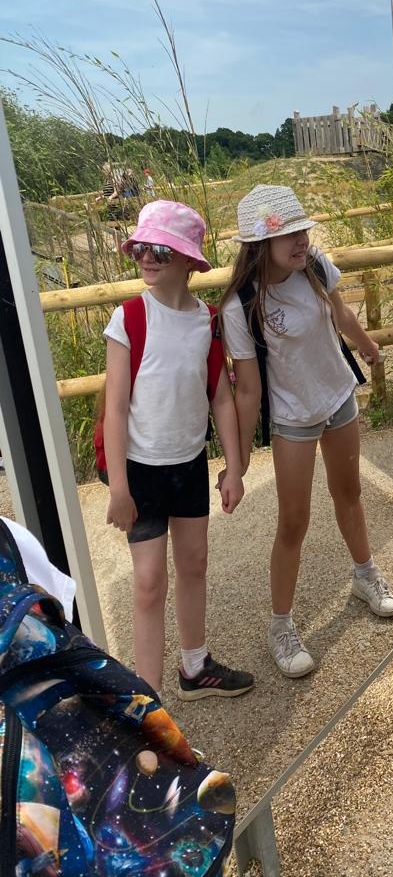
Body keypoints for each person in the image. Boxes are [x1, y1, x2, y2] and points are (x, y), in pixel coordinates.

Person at [219, 184, 393, 678]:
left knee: (350, 492)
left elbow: (340, 312)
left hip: (337, 395)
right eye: (290, 235)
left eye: (303, 231)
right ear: (260, 245)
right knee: (293, 520)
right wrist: (236, 464)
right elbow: (247, 390)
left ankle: (365, 575)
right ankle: (280, 625)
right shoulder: (241, 305)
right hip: (293, 416)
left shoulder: (315, 265)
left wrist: (367, 345)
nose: (302, 241)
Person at [103, 199, 253, 699]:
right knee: (148, 583)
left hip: (188, 465)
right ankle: (149, 700)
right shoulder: (128, 318)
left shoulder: (207, 321)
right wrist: (119, 489)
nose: (147, 258)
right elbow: (115, 408)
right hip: (141, 472)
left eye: (161, 251)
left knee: (194, 564)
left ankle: (195, 665)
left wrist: (234, 467)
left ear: (189, 259)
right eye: (141, 248)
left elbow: (221, 397)